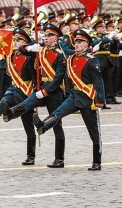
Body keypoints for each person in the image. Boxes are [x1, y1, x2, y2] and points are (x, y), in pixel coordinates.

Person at [36, 29, 105, 171]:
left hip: (87, 98)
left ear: (87, 45)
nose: (77, 44)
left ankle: (96, 161)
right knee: (58, 112)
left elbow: (99, 82)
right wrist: (66, 92)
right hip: (74, 96)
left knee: (93, 132)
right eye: (76, 42)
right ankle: (43, 126)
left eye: (80, 42)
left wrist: (99, 101)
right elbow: (68, 77)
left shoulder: (92, 61)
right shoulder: (71, 58)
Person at [2, 23, 67, 168]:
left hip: (53, 91)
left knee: (56, 123)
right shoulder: (40, 50)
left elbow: (58, 78)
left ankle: (59, 159)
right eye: (45, 34)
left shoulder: (60, 55)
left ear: (56, 38)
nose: (46, 37)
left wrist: (45, 91)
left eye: (49, 35)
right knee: (26, 104)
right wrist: (30, 48)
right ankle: (11, 113)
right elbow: (21, 49)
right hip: (41, 87)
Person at [0, 27, 36, 165]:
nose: (15, 42)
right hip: (13, 89)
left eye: (19, 40)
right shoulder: (10, 56)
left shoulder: (29, 58)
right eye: (15, 39)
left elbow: (35, 79)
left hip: (26, 92)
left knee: (28, 126)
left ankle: (31, 156)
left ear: (25, 42)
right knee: (2, 103)